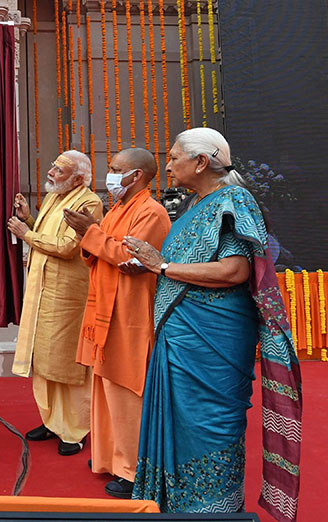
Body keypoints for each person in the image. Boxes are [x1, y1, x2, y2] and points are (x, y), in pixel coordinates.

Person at [125, 128, 302, 520]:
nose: (167, 166)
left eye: (174, 158)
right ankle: (175, 508)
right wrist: (151, 266)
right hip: (181, 336)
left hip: (213, 340)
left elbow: (234, 270)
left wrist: (163, 266)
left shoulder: (232, 200)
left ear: (201, 162)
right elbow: (187, 269)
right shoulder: (195, 204)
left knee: (210, 426)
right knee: (180, 423)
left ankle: (216, 511)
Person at [64, 148, 170, 499]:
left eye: (114, 168)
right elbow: (99, 253)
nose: (109, 174)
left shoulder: (151, 212)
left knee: (126, 392)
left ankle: (134, 470)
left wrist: (91, 233)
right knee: (105, 388)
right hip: (104, 309)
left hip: (130, 313)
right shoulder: (118, 209)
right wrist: (90, 236)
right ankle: (109, 457)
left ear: (136, 175)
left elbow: (129, 257)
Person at [8, 150, 103, 456]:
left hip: (67, 296)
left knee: (66, 363)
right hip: (43, 291)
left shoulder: (89, 203)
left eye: (59, 170)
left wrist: (26, 235)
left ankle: (75, 431)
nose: (51, 172)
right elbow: (45, 232)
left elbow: (68, 247)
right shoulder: (53, 196)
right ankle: (52, 421)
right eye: (53, 166)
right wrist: (29, 219)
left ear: (77, 179)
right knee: (44, 360)